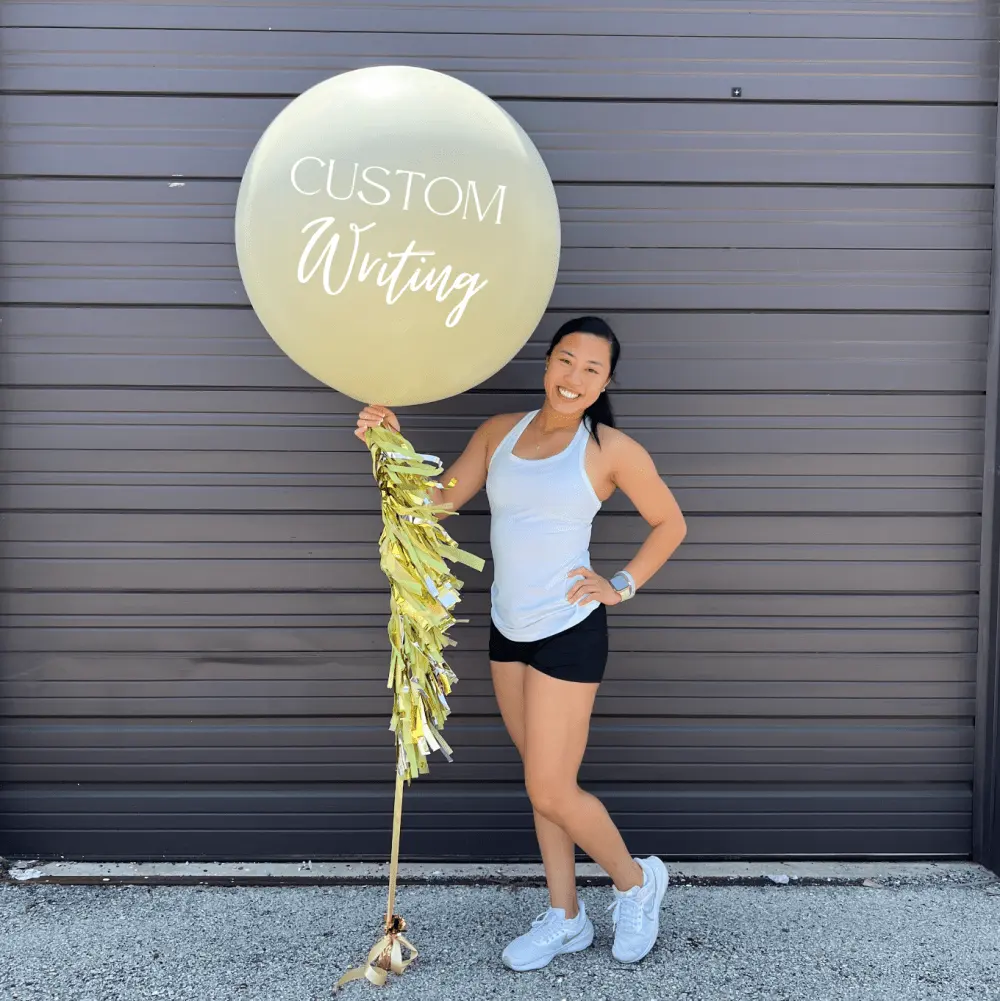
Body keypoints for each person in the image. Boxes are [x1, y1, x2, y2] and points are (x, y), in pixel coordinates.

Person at [355, 316, 687, 971]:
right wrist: (388, 447)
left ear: (605, 382)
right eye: (567, 361)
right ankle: (566, 917)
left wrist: (618, 584)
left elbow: (670, 522)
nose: (575, 377)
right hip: (510, 632)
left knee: (551, 786)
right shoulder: (498, 433)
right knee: (545, 787)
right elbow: (437, 502)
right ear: (549, 363)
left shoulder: (610, 449)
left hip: (570, 634)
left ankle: (635, 880)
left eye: (592, 369)